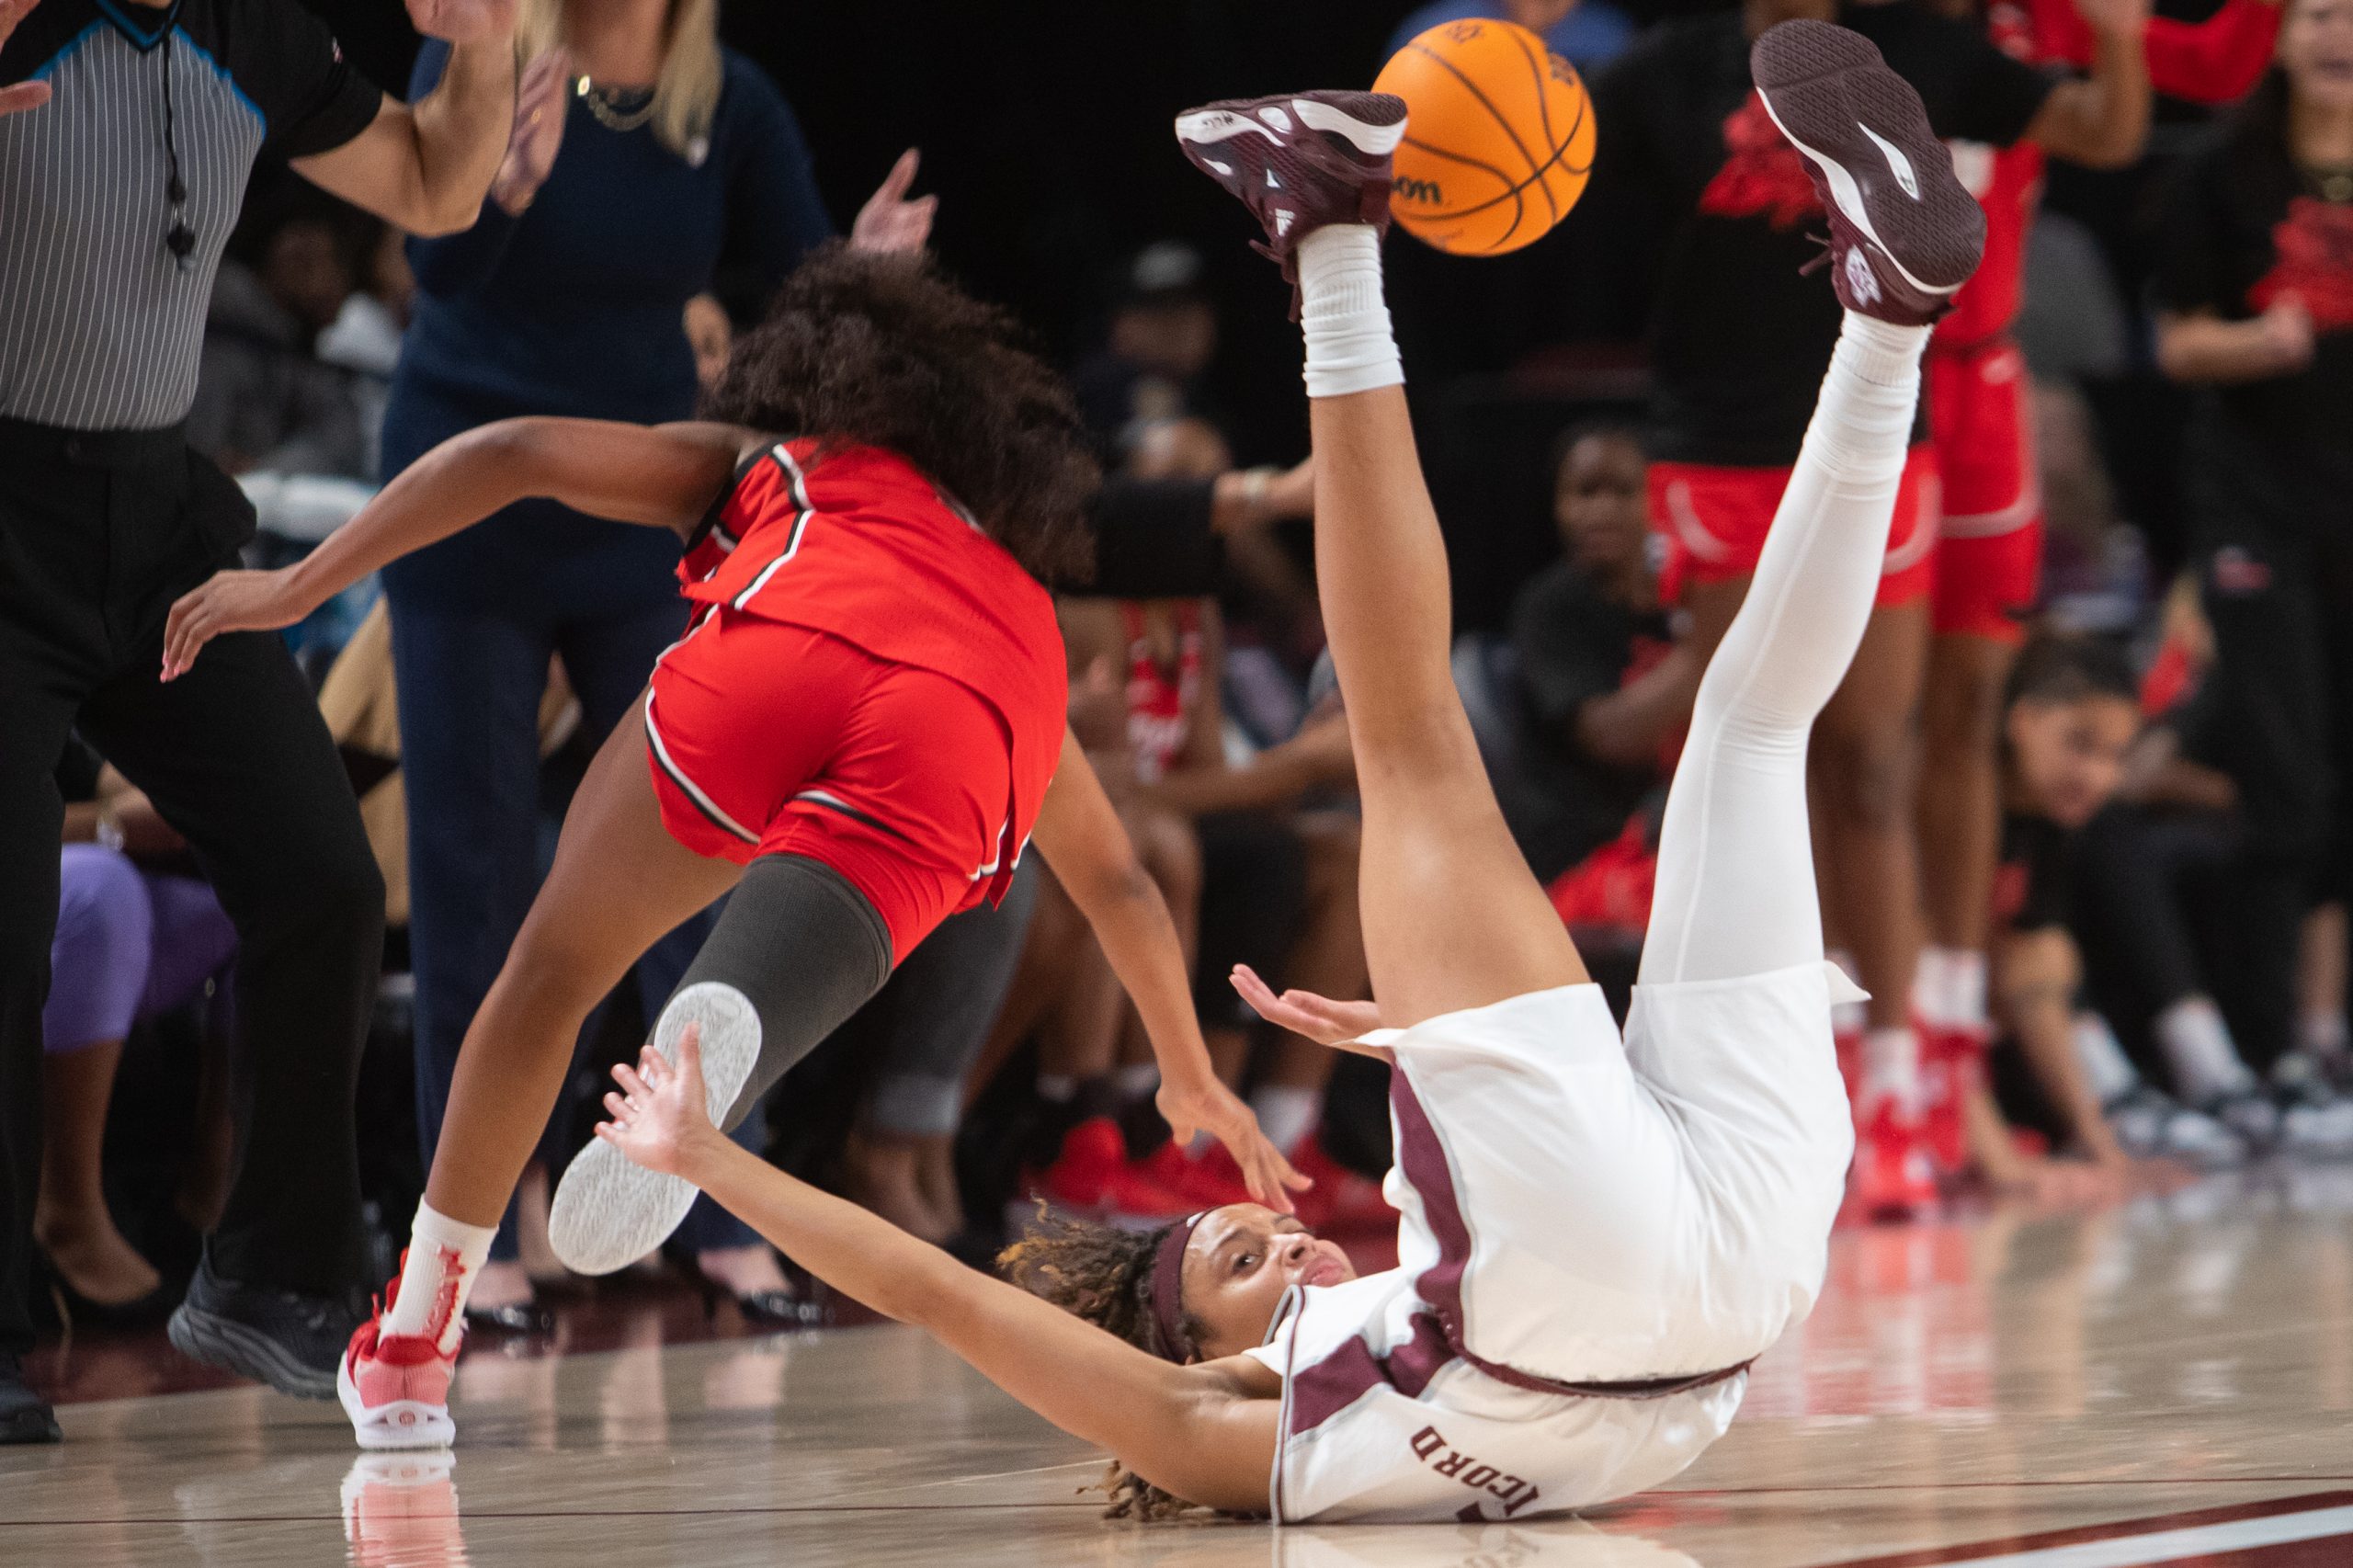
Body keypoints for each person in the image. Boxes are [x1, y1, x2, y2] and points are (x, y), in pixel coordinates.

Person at [583, 32, 1984, 1519]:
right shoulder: (1213, 1431)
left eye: (1249, 1236)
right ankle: (1325, 226)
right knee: (1413, 747)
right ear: (1202, 1357)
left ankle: (1886, 321)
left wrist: (1417, 1041)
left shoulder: (1377, 1328)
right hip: (1592, 1300)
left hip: (1728, 1290)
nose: (1293, 1248)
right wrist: (705, 1158)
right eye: (1247, 1270)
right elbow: (953, 1301)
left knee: (1750, 734)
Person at [162, 245, 1302, 1449]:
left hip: (794, 635)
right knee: (795, 934)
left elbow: (514, 454)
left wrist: (296, 585)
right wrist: (1186, 1070)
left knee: (549, 977)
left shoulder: (785, 458)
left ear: (800, 382)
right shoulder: (1005, 577)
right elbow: (1117, 876)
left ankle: (411, 1343)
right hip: (978, 726)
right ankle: (701, 1071)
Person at [0, 0, 517, 1442]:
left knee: (323, 877)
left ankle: (272, 1273)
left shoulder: (253, 31)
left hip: (158, 517)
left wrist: (480, 47)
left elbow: (436, 186)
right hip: (4, 510)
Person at [381, 0, 935, 1326]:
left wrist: (858, 264)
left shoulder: (724, 97)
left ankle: (708, 1194)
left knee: (697, 877)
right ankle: (481, 1227)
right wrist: (498, 190)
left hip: (647, 519)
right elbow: (435, 270)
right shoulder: (489, 46)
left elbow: (802, 291)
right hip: (475, 503)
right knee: (479, 873)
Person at [1579, 0, 2152, 1215]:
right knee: (1751, 758)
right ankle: (1782, 1073)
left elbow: (2103, 130)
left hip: (1883, 423)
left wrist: (2116, 28)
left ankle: (1894, 1086)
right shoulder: (1665, 70)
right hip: (1714, 443)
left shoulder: (1919, 46)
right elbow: (1534, 194)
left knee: (1873, 761)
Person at [1910, 0, 2282, 1188]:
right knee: (1870, 741)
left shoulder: (2041, 25)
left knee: (1965, 721)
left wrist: (2119, 27)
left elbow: (2213, 64)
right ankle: (1902, 1073)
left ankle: (1954, 1078)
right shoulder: (1859, 29)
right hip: (1866, 367)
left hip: (1979, 370)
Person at [2154, 0, 2353, 1095]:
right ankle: (2270, 1046)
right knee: (2282, 781)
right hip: (2258, 509)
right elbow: (2175, 343)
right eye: (2316, 11)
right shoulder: (2222, 174)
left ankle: (2322, 1031)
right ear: (2274, 34)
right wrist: (2254, 341)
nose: (2337, 34)